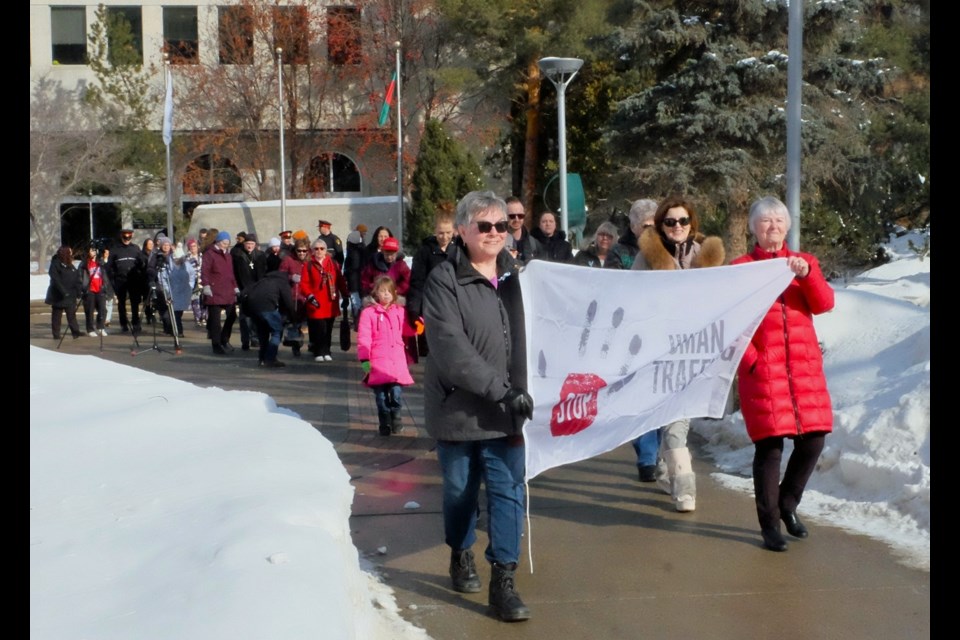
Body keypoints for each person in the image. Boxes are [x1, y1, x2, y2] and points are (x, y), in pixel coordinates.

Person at [422, 190, 532, 622]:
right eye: (483, 226)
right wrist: (498, 389)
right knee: (459, 493)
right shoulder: (443, 280)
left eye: (501, 226)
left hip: (509, 412)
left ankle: (503, 580)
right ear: (464, 229)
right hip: (459, 409)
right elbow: (450, 349)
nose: (493, 233)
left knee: (507, 494)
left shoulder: (520, 278)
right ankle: (460, 549)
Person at [731, 196, 835, 552]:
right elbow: (731, 325)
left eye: (778, 220)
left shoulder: (804, 263)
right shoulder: (741, 268)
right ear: (753, 228)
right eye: (765, 221)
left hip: (803, 371)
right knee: (770, 449)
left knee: (814, 440)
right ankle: (769, 524)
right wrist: (752, 361)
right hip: (764, 371)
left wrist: (807, 277)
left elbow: (824, 304)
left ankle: (788, 506)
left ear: (787, 226)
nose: (772, 226)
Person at [631, 195, 725, 511]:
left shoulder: (705, 257)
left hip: (693, 355)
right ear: (661, 225)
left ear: (691, 224)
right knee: (661, 416)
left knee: (676, 421)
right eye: (670, 221)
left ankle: (684, 489)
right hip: (656, 355)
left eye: (683, 220)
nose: (677, 227)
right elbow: (631, 303)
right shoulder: (646, 258)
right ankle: (664, 468)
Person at [357, 275, 416, 435]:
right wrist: (364, 358)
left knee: (396, 394)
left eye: (389, 291)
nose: (386, 295)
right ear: (376, 293)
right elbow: (364, 337)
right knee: (381, 397)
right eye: (382, 291)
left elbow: (407, 330)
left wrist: (418, 325)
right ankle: (384, 421)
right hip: (377, 361)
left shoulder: (399, 311)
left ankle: (396, 418)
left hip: (396, 360)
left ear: (394, 293)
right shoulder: (369, 313)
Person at [406, 209, 456, 358]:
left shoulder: (459, 250)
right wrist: (414, 308)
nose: (445, 237)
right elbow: (417, 282)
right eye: (441, 233)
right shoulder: (424, 252)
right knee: (432, 350)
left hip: (453, 306)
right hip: (431, 306)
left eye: (448, 232)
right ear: (434, 231)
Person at [300, 239, 349, 362]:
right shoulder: (308, 264)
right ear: (312, 250)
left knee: (328, 328)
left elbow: (340, 280)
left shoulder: (332, 263)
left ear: (326, 250)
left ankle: (327, 350)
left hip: (330, 301)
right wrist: (309, 296)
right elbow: (304, 283)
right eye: (316, 248)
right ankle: (318, 351)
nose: (319, 251)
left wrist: (345, 295)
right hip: (316, 302)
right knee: (318, 328)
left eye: (322, 248)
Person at [240, 268, 297, 368]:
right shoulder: (282, 282)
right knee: (277, 332)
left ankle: (262, 358)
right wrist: (293, 318)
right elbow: (288, 303)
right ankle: (270, 359)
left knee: (263, 333)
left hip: (253, 308)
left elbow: (245, 292)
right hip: (267, 307)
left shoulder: (262, 281)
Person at [202, 230, 240, 354]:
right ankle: (216, 344)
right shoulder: (210, 254)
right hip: (214, 290)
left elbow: (230, 273)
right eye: (224, 242)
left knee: (232, 315)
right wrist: (206, 285)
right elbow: (205, 271)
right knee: (215, 320)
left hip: (228, 290)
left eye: (228, 243)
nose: (226, 245)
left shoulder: (228, 255)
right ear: (218, 242)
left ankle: (224, 338)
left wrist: (235, 286)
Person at [148, 235, 194, 337]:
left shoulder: (176, 256)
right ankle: (171, 329)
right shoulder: (156, 256)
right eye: (164, 245)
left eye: (168, 244)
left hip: (179, 288)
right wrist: (155, 275)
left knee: (177, 311)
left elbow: (191, 274)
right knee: (165, 310)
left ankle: (173, 329)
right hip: (162, 287)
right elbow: (153, 270)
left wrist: (189, 286)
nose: (166, 247)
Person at [107, 228, 147, 335]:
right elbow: (109, 267)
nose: (127, 239)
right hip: (120, 280)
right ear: (121, 236)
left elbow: (141, 263)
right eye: (125, 237)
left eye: (129, 237)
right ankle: (123, 324)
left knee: (135, 303)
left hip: (133, 280)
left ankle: (135, 323)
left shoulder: (135, 248)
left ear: (131, 237)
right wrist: (112, 280)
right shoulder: (115, 249)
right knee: (121, 303)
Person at [278, 237, 312, 357]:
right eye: (299, 251)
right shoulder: (288, 260)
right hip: (291, 296)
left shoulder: (310, 261)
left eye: (304, 251)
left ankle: (303, 345)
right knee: (289, 322)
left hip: (305, 297)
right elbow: (280, 276)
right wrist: (290, 277)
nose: (301, 253)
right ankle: (284, 345)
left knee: (303, 323)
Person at [233, 232, 266, 351]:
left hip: (257, 289)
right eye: (247, 243)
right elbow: (235, 273)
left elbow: (263, 273)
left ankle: (255, 338)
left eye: (252, 243)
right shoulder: (238, 255)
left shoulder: (260, 255)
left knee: (257, 316)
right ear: (244, 244)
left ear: (255, 244)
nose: (249, 246)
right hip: (244, 289)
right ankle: (245, 340)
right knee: (245, 317)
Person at [45, 245, 83, 340]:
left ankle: (75, 332)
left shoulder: (71, 265)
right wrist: (63, 291)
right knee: (57, 316)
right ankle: (56, 334)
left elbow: (77, 279)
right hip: (59, 295)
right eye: (69, 252)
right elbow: (55, 279)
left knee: (71, 315)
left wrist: (79, 292)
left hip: (71, 295)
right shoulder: (55, 264)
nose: (71, 254)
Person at [610, 198, 657, 269]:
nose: (651, 231)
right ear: (633, 227)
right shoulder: (618, 252)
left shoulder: (664, 249)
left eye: (654, 227)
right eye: (646, 226)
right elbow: (612, 278)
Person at [80, 243, 108, 337]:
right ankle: (90, 329)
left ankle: (100, 327)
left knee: (103, 309)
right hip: (89, 289)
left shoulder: (100, 262)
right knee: (89, 310)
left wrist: (105, 259)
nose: (94, 252)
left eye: (95, 250)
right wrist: (83, 288)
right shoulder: (84, 263)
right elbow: (80, 276)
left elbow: (106, 273)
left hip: (100, 288)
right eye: (91, 250)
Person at [343, 224, 368, 327]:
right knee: (358, 300)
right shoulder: (361, 248)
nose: (364, 234)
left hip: (354, 278)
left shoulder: (352, 247)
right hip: (358, 278)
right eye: (364, 232)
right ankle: (359, 320)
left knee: (355, 300)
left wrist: (346, 273)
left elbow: (349, 263)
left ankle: (357, 319)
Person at [504, 196, 542, 264]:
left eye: (520, 216)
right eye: (512, 216)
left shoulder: (534, 243)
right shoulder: (497, 243)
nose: (517, 219)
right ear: (504, 216)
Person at [184, 238, 206, 327]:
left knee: (204, 300)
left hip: (203, 280)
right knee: (195, 300)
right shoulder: (186, 258)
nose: (193, 248)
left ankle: (204, 317)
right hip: (192, 282)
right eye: (191, 246)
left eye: (194, 246)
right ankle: (198, 317)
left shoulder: (202, 257)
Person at [140, 238, 157, 326]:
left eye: (152, 244)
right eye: (149, 244)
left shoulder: (155, 254)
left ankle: (153, 314)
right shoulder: (141, 254)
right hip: (144, 279)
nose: (151, 245)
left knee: (154, 298)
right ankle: (148, 314)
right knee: (146, 299)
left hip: (153, 279)